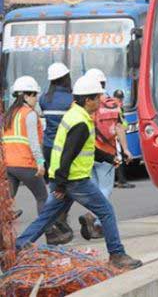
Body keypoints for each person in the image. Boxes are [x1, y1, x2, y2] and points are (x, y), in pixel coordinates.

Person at [15, 75, 142, 269]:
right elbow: (67, 155)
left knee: (46, 217)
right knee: (106, 212)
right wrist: (61, 184)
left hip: (66, 179)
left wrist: (109, 158)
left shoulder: (75, 115)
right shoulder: (81, 123)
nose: (101, 102)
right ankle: (117, 254)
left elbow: (84, 149)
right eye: (97, 98)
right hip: (75, 180)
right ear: (88, 100)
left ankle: (18, 247)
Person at [2, 76, 70, 244]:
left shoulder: (9, 114)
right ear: (25, 95)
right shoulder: (29, 114)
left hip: (9, 165)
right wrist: (40, 163)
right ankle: (50, 234)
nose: (36, 99)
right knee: (42, 198)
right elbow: (33, 142)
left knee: (6, 203)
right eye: (34, 95)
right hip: (26, 165)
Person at [78, 69, 132, 240]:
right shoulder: (114, 104)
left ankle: (96, 224)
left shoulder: (84, 105)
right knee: (105, 189)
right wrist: (125, 149)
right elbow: (120, 128)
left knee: (94, 190)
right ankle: (93, 218)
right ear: (104, 84)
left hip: (87, 155)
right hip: (107, 154)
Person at [39, 62, 74, 237]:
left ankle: (58, 222)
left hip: (48, 146)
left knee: (55, 184)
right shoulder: (71, 100)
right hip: (63, 148)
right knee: (67, 185)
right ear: (66, 78)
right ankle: (56, 221)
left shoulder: (44, 99)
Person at [112, 89, 135, 189]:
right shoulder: (114, 108)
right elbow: (118, 124)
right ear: (114, 98)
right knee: (119, 159)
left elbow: (122, 121)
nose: (120, 101)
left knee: (117, 157)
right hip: (116, 136)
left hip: (119, 135)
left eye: (121, 98)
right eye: (118, 98)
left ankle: (115, 180)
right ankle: (121, 181)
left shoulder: (119, 108)